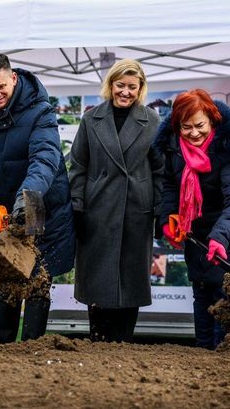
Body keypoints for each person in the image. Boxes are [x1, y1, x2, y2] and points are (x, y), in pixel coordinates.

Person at [0, 53, 75, 343]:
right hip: (7, 208)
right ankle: (2, 349)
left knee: (37, 281)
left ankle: (32, 349)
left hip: (41, 206)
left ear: (13, 78)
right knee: (9, 277)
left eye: (1, 86)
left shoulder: (40, 111)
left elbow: (44, 159)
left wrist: (25, 200)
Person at [155, 89, 230, 350]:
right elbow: (170, 183)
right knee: (202, 287)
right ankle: (202, 351)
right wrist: (169, 216)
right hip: (198, 227)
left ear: (212, 120)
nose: (193, 133)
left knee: (226, 292)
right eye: (186, 127)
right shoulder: (172, 146)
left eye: (200, 126)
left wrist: (221, 236)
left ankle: (224, 353)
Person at [69, 59, 164, 343]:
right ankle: (98, 341)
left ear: (141, 88)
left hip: (136, 211)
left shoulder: (152, 121)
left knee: (130, 280)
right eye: (120, 85)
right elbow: (78, 166)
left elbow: (160, 170)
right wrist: (77, 205)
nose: (125, 92)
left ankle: (124, 342)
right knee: (97, 281)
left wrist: (157, 208)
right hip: (97, 211)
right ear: (110, 85)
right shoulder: (91, 119)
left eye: (132, 87)